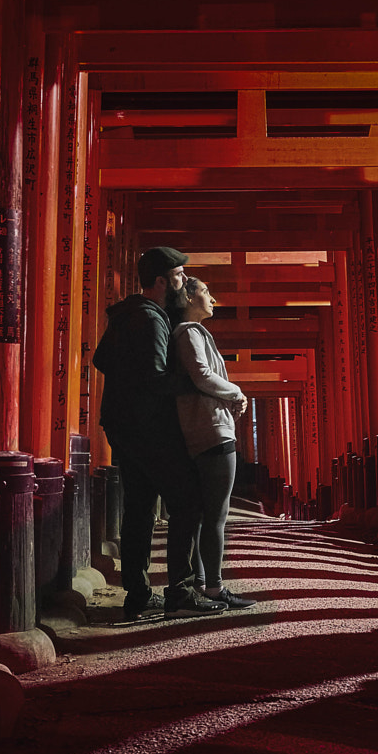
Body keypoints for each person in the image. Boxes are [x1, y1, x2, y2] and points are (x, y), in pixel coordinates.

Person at [91, 247, 224, 619]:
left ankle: (137, 594)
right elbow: (154, 379)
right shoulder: (150, 318)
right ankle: (180, 592)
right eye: (180, 276)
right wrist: (197, 385)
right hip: (147, 427)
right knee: (187, 502)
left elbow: (101, 360)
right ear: (163, 280)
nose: (184, 283)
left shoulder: (126, 313)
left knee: (139, 510)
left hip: (119, 425)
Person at [171, 276, 257, 610]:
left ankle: (203, 584)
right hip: (212, 432)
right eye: (206, 292)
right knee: (216, 516)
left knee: (204, 515)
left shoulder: (188, 333)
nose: (213, 298)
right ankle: (214, 587)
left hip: (204, 429)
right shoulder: (189, 332)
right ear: (189, 297)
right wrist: (236, 392)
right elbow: (202, 375)